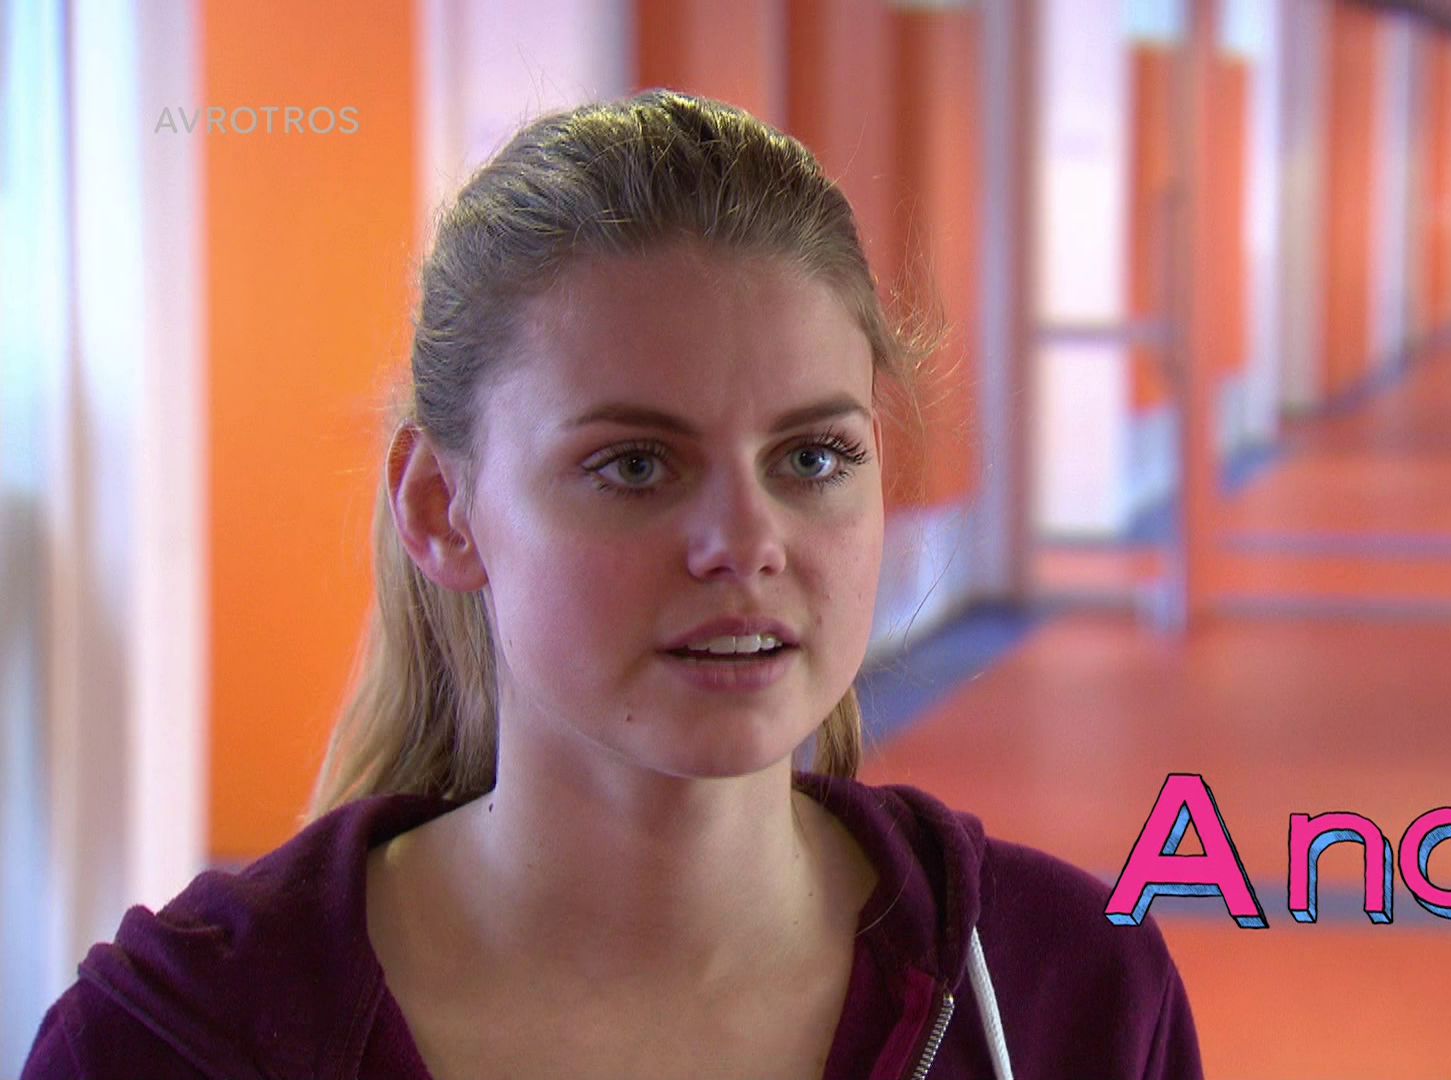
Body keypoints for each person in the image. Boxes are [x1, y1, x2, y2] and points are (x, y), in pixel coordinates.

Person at [23, 90, 1202, 1079]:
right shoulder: (163, 1045)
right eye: (635, 465)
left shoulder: (1065, 997)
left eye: (812, 458)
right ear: (440, 509)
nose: (745, 543)